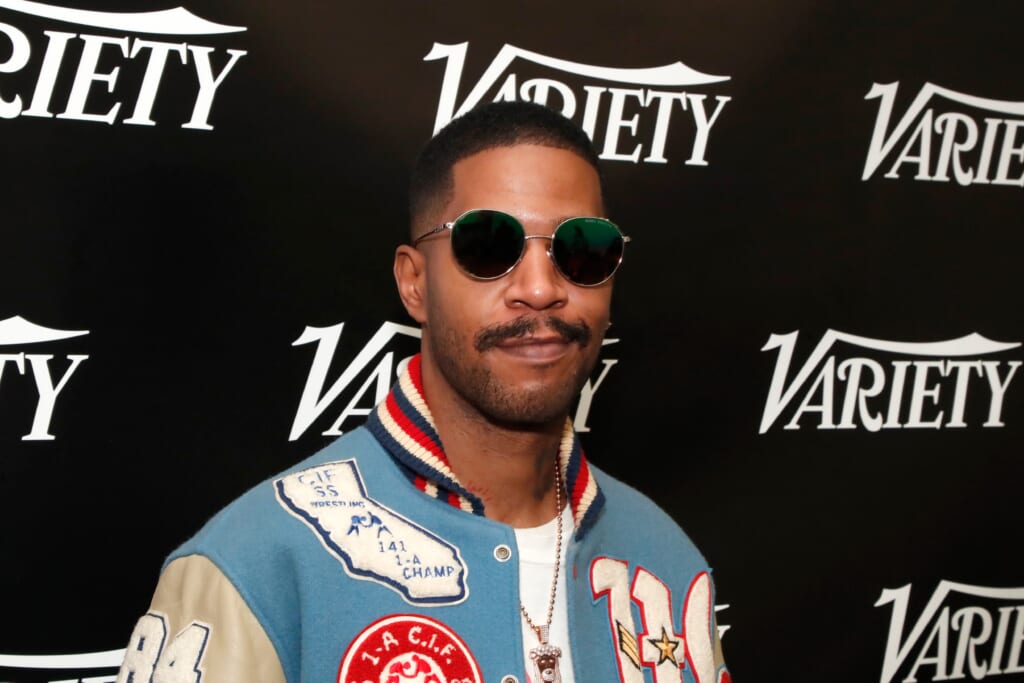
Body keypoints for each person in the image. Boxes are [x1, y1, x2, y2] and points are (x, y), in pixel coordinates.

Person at [116, 100, 729, 683]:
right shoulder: (255, 565)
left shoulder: (664, 559)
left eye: (581, 248)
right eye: (488, 246)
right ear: (414, 283)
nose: (541, 289)